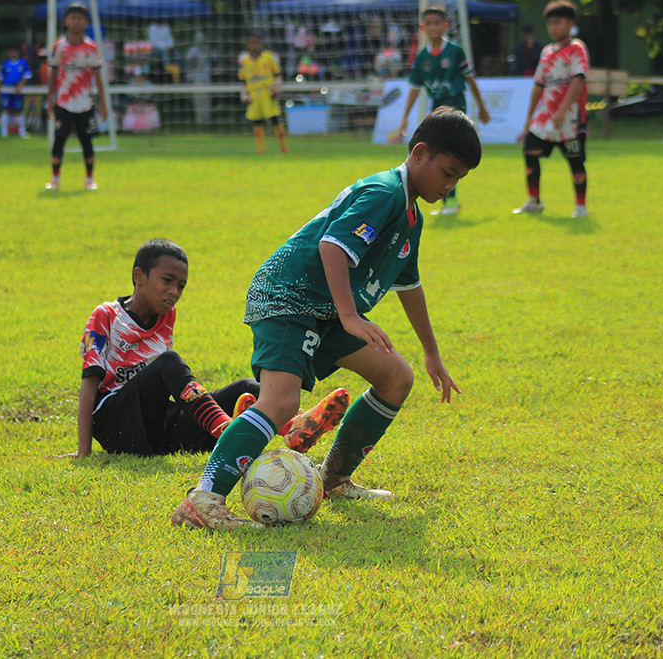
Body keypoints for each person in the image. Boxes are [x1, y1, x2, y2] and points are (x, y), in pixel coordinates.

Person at [170, 107, 482, 530]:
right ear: (420, 152)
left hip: (325, 308)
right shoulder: (385, 192)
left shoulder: (411, 214)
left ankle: (332, 479)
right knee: (281, 401)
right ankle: (203, 499)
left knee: (396, 377)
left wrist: (431, 352)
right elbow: (332, 247)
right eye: (448, 173)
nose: (449, 186)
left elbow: (409, 284)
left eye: (458, 179)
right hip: (289, 295)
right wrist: (351, 317)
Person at [61, 238, 350, 457]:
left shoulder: (166, 316)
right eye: (167, 281)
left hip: (153, 429)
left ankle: (296, 427)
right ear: (139, 276)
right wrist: (83, 451)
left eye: (181, 286)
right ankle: (227, 430)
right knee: (167, 362)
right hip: (115, 423)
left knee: (246, 388)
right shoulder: (106, 316)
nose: (174, 292)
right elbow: (89, 386)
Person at [396, 5, 490, 216]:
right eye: (428, 23)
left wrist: (482, 107)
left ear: (445, 26)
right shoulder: (421, 57)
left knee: (451, 155)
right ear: (422, 27)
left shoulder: (455, 51)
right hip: (437, 108)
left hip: (456, 107)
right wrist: (404, 118)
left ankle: (452, 202)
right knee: (439, 157)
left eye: (437, 23)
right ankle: (449, 202)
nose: (433, 27)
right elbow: (414, 88)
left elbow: (470, 79)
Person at [512, 0, 590, 219]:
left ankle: (580, 207)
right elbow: (539, 85)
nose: (553, 27)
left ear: (570, 23)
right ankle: (534, 201)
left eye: (558, 22)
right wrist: (529, 118)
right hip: (545, 118)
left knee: (575, 160)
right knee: (529, 151)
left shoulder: (577, 48)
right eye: (550, 23)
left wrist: (563, 110)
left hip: (570, 118)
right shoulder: (546, 51)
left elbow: (578, 80)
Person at [46, 3, 108, 191]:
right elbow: (53, 75)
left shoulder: (91, 47)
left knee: (86, 140)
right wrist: (49, 100)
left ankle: (90, 179)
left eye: (80, 18)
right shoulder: (59, 46)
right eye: (72, 18)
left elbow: (98, 77)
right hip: (63, 103)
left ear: (85, 22)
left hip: (85, 104)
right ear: (66, 21)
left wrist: (103, 103)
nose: (76, 22)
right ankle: (55, 179)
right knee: (60, 139)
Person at [238, 34, 288, 154]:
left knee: (275, 119)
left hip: (267, 92)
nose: (253, 45)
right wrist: (244, 95)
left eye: (256, 42)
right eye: (251, 43)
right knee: (257, 122)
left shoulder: (268, 58)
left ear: (260, 44)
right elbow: (243, 81)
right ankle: (260, 150)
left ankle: (283, 147)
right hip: (254, 95)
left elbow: (278, 74)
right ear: (247, 45)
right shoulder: (245, 62)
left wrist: (277, 88)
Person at [0, 46, 33, 138]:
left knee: (18, 110)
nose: (13, 53)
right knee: (6, 109)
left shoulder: (22, 63)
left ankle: (22, 132)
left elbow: (27, 75)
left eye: (14, 51)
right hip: (7, 90)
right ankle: (4, 133)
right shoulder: (6, 64)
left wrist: (20, 85)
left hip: (17, 91)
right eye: (11, 51)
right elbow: (1, 76)